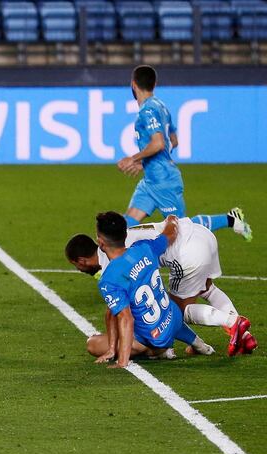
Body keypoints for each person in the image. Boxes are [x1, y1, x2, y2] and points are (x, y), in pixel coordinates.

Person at [66, 217, 257, 356]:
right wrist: (172, 222)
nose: (78, 269)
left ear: (81, 261)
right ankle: (244, 336)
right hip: (199, 233)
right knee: (208, 288)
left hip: (187, 252)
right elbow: (169, 231)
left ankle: (233, 322)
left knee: (177, 312)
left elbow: (121, 312)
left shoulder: (112, 262)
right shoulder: (121, 238)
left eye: (76, 265)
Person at [116, 65, 252, 242]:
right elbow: (174, 141)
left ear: (133, 84)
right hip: (151, 180)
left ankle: (231, 219)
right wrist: (147, 163)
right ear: (154, 84)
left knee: (183, 229)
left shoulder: (147, 111)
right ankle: (105, 264)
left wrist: (133, 158)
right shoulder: (161, 106)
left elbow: (158, 143)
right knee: (128, 224)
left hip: (164, 181)